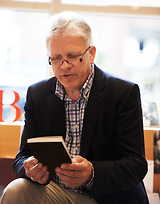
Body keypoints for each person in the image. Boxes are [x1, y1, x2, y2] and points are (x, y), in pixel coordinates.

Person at [0, 11, 149, 204]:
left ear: (92, 54)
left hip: (106, 197)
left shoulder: (122, 93)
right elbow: (23, 156)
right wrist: (28, 168)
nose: (64, 66)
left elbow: (136, 165)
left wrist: (92, 173)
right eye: (56, 58)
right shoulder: (37, 94)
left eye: (72, 56)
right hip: (55, 191)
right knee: (15, 190)